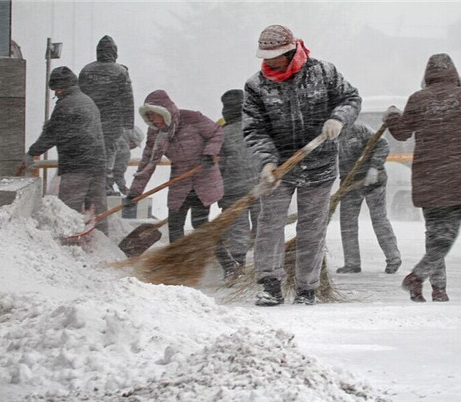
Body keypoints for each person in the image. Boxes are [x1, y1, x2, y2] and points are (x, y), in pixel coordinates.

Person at [243, 24, 362, 306]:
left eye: (275, 57)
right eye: (266, 57)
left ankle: (307, 288)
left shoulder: (324, 73)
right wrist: (266, 162)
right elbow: (254, 129)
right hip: (279, 169)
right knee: (269, 225)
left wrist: (338, 119)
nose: (269, 63)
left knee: (312, 228)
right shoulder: (256, 85)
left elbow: (351, 98)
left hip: (320, 165)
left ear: (291, 51)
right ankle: (270, 285)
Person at [383, 53, 461, 303]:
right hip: (458, 174)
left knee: (435, 233)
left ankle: (437, 288)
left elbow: (401, 133)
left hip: (428, 174)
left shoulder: (417, 99)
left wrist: (392, 116)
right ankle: (422, 279)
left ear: (427, 75)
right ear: (454, 74)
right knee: (446, 235)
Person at [127, 90, 224, 243]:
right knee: (175, 224)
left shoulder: (192, 118)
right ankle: (178, 263)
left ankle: (225, 262)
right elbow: (147, 162)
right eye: (149, 116)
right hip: (180, 179)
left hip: (203, 177)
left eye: (154, 114)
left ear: (165, 112)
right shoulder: (155, 132)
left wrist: (209, 153)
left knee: (200, 224)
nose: (152, 120)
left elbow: (217, 132)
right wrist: (134, 193)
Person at [24, 66, 108, 234]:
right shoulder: (86, 100)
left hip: (77, 165)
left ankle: (69, 246)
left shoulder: (67, 105)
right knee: (98, 210)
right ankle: (102, 245)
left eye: (56, 89)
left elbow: (51, 134)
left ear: (61, 87)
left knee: (68, 211)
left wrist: (32, 153)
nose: (56, 93)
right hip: (97, 164)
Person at [336, 122, 402, 275]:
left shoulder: (359, 129)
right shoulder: (327, 135)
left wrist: (374, 167)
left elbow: (382, 145)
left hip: (374, 179)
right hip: (349, 182)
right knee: (347, 223)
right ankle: (352, 263)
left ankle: (393, 258)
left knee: (379, 219)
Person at [79, 35, 135, 195]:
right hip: (112, 120)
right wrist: (128, 125)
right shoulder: (120, 71)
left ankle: (90, 183)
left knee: (91, 151)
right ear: (114, 52)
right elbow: (128, 99)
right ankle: (104, 184)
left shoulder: (86, 70)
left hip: (90, 120)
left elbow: (80, 94)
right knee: (109, 151)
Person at [215, 89, 260, 280]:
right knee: (264, 226)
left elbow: (219, 165)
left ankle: (237, 267)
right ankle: (266, 267)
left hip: (233, 188)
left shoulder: (221, 134)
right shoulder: (259, 128)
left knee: (237, 230)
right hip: (262, 186)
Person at [111, 126, 144, 196]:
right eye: (134, 145)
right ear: (131, 140)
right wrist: (123, 187)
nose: (133, 148)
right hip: (103, 182)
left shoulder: (110, 138)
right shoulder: (124, 149)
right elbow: (118, 172)